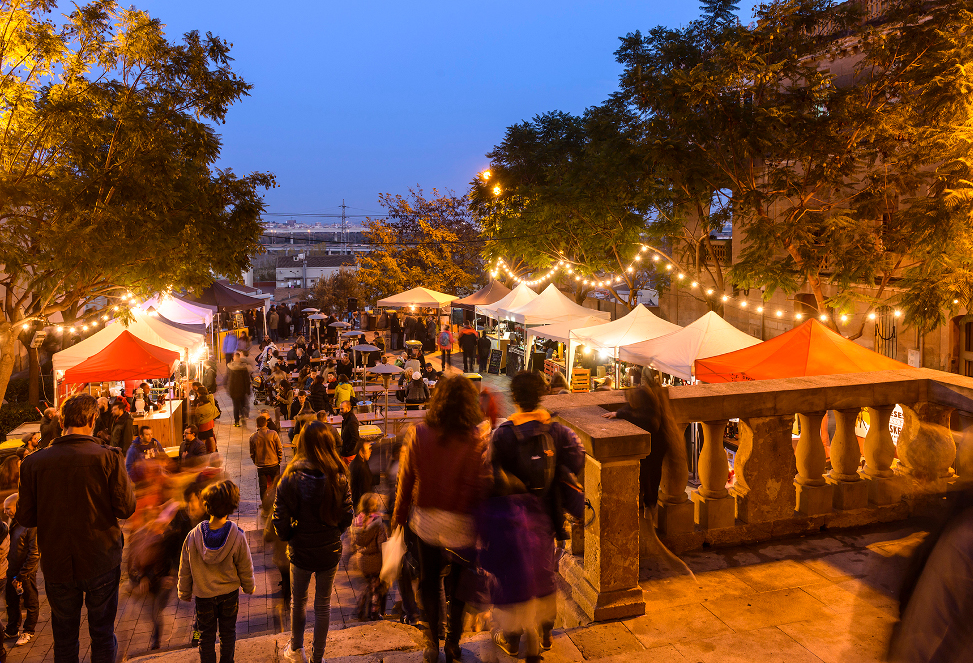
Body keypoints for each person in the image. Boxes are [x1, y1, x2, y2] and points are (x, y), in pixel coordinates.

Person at [18, 393, 137, 663]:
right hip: (101, 558)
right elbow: (126, 508)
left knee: (64, 639)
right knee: (103, 634)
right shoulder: (109, 457)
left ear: (62, 422)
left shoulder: (33, 463)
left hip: (57, 562)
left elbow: (26, 516)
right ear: (93, 420)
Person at [482, 371, 585, 662]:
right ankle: (545, 630)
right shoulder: (555, 431)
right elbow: (577, 457)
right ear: (541, 395)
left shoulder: (502, 434)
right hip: (546, 517)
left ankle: (512, 638)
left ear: (513, 398)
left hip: (512, 522)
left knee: (511, 576)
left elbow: (491, 476)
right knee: (544, 572)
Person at [392, 374, 490, 663]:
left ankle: (431, 641)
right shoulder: (475, 438)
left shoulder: (419, 433)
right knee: (459, 586)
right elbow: (478, 485)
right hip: (462, 524)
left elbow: (405, 480)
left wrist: (398, 518)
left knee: (429, 582)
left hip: (427, 522)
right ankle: (454, 644)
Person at [273, 422, 354, 663]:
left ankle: (297, 650)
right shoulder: (339, 475)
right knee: (323, 605)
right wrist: (332, 531)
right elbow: (347, 515)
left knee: (298, 602)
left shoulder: (289, 476)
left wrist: (291, 536)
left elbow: (280, 521)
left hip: (300, 551)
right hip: (329, 550)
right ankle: (318, 658)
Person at [177, 480, 256, 663]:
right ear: (232, 505)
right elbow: (245, 565)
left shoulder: (193, 535)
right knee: (228, 633)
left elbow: (185, 566)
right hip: (229, 594)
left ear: (207, 505)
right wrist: (249, 586)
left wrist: (184, 591)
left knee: (206, 636)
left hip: (203, 596)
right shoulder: (237, 535)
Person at [601, 378, 685, 516]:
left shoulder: (647, 413)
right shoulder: (650, 404)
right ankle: (650, 504)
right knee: (651, 476)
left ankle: (649, 504)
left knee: (648, 476)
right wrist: (619, 413)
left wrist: (620, 413)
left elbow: (645, 420)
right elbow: (628, 409)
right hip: (657, 446)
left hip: (653, 447)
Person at [3, 493, 38, 647]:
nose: (5, 512)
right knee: (11, 601)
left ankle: (29, 630)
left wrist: (23, 574)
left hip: (25, 572)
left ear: (18, 506)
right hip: (11, 569)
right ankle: (12, 629)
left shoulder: (31, 525)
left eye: (7, 508)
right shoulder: (13, 523)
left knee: (30, 601)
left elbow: (34, 553)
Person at [351, 493, 387, 621]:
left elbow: (353, 541)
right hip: (375, 560)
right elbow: (381, 543)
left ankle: (359, 611)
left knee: (365, 586)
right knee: (375, 589)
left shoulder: (357, 520)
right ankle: (374, 613)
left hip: (361, 559)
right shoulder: (378, 523)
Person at [250, 415, 283, 501]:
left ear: (257, 425)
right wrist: (279, 459)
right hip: (274, 463)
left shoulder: (253, 437)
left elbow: (252, 453)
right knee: (276, 485)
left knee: (263, 487)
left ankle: (265, 505)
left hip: (261, 466)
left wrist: (256, 462)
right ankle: (276, 502)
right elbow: (279, 449)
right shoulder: (273, 434)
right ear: (266, 424)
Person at [226, 351, 252, 428]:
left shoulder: (230, 367)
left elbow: (228, 379)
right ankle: (243, 416)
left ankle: (236, 421)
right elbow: (247, 380)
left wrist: (229, 389)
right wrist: (248, 390)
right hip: (242, 390)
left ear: (234, 358)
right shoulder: (243, 368)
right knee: (243, 404)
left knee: (236, 406)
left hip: (234, 390)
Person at [193, 386, 220, 454]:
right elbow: (210, 396)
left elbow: (197, 415)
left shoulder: (200, 409)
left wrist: (197, 407)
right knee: (211, 438)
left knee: (203, 440)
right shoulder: (210, 403)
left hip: (204, 425)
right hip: (210, 423)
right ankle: (214, 451)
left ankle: (202, 452)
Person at [349, 439, 373, 508]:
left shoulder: (358, 462)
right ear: (361, 452)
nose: (370, 451)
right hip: (361, 504)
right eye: (368, 449)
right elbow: (364, 489)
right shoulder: (361, 467)